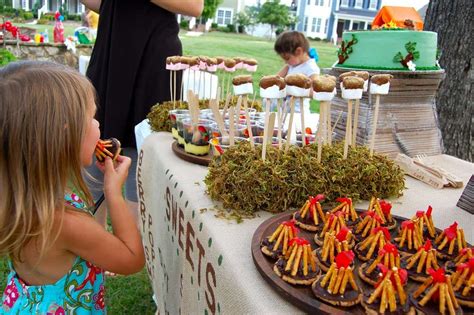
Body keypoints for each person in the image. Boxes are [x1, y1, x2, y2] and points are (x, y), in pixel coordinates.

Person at [0, 61, 145, 314]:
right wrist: (113, 192)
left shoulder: (24, 197)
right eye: (91, 118)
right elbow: (132, 258)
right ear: (64, 136)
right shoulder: (63, 222)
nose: (99, 125)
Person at [82, 0, 204, 148]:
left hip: (151, 54)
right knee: (99, 140)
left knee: (146, 145)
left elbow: (195, 6)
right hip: (111, 46)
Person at [274, 30, 321, 114]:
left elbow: (315, 91)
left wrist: (294, 90)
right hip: (285, 112)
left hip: (299, 114)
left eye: (287, 58)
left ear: (299, 51)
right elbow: (275, 80)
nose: (285, 62)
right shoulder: (291, 65)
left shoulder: (311, 68)